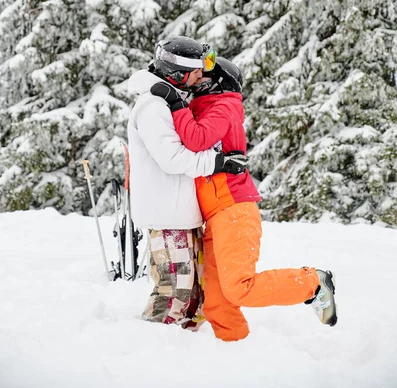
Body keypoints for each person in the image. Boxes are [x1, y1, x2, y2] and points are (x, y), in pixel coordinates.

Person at [150, 57, 338, 341]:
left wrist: (176, 103)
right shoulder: (202, 109)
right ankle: (236, 356)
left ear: (217, 83)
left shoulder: (224, 106)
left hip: (233, 209)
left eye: (202, 79)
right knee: (216, 304)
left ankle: (312, 282)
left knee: (239, 287)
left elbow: (197, 140)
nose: (196, 83)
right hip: (215, 216)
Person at [127, 38, 248, 329]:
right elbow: (173, 159)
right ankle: (149, 347)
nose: (202, 76)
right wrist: (219, 162)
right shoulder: (153, 106)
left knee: (194, 297)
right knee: (174, 294)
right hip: (166, 212)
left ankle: (186, 355)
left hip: (182, 212)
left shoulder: (173, 101)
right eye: (197, 70)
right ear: (177, 72)